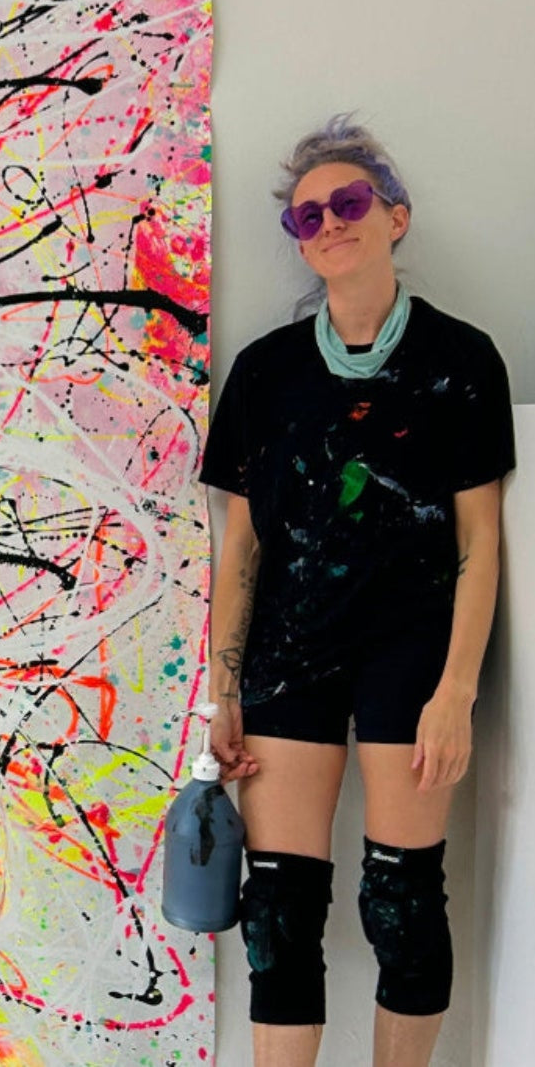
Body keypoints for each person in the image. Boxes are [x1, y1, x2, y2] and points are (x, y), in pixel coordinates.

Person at [199, 114, 516, 1067]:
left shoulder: (461, 360)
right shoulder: (265, 372)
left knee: (402, 900)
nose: (329, 223)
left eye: (347, 202)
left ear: (394, 217)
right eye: (307, 216)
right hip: (287, 658)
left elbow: (480, 538)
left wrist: (456, 689)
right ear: (298, 242)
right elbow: (241, 546)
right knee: (278, 911)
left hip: (410, 657)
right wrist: (223, 689)